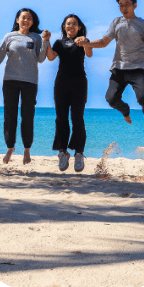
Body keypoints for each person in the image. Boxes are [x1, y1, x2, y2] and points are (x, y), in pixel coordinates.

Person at [0, 8, 49, 165]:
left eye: (29, 18)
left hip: (30, 81)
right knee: (9, 115)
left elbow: (41, 59)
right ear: (17, 19)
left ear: (33, 21)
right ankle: (10, 147)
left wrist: (45, 42)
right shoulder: (9, 37)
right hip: (10, 80)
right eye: (23, 17)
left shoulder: (36, 37)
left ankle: (27, 149)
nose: (26, 20)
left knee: (27, 116)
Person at [75, 0, 144, 124]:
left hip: (137, 67)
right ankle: (125, 111)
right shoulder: (117, 22)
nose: (124, 8)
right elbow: (103, 42)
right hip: (119, 67)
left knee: (142, 98)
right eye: (121, 5)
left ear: (134, 5)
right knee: (110, 99)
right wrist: (87, 43)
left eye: (127, 4)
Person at [46, 14, 93, 173]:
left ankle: (79, 153)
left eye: (74, 24)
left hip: (79, 83)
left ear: (79, 27)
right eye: (68, 24)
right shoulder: (59, 43)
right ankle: (62, 152)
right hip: (61, 83)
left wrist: (86, 42)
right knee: (61, 118)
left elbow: (89, 54)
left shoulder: (82, 40)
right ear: (64, 27)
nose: (71, 26)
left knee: (77, 118)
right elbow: (51, 57)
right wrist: (46, 41)